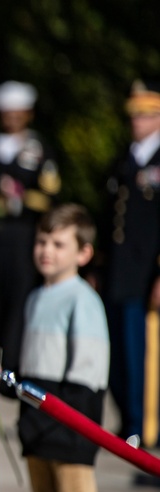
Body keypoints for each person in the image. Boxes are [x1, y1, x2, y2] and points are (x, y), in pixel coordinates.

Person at [17, 204, 113, 492]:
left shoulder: (83, 299)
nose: (46, 251)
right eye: (42, 241)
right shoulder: (38, 296)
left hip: (70, 426)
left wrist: (64, 424)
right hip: (38, 426)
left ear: (84, 252)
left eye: (59, 244)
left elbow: (86, 376)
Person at [0, 81, 61, 371]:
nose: (12, 118)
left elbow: (50, 195)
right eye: (6, 112)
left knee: (18, 304)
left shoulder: (38, 150)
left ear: (29, 114)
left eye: (18, 113)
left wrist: (18, 201)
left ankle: (11, 366)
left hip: (22, 237)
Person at [98, 80, 160, 454]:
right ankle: (127, 420)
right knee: (118, 353)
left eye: (146, 114)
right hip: (118, 272)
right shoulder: (126, 157)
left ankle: (143, 425)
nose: (137, 121)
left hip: (146, 275)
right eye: (134, 114)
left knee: (142, 355)